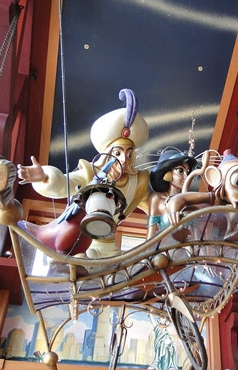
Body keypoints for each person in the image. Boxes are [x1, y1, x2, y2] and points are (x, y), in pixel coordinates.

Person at [17, 89, 150, 258]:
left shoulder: (137, 182)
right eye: (118, 153)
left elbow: (155, 203)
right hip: (81, 240)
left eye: (129, 154)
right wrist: (43, 177)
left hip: (108, 245)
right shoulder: (91, 175)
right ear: (108, 154)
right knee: (81, 261)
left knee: (117, 267)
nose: (124, 159)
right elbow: (63, 183)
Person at [146, 148, 197, 239]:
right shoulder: (157, 198)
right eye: (180, 171)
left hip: (185, 248)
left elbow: (197, 238)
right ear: (168, 173)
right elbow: (150, 238)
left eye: (187, 172)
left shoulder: (189, 202)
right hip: (163, 247)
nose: (186, 177)